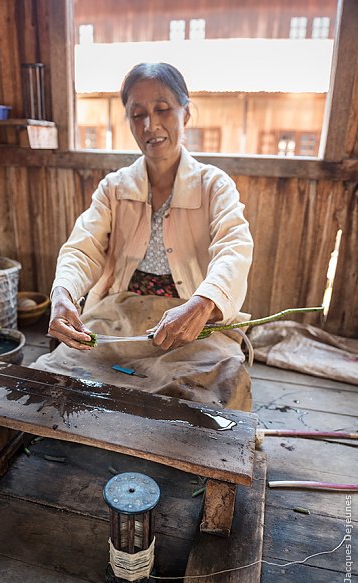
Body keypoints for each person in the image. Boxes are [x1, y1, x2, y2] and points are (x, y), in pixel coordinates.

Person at [31, 62, 254, 411]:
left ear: (186, 113)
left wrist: (204, 302)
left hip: (191, 324)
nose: (151, 125)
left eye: (163, 109)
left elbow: (234, 248)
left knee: (209, 398)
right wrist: (63, 293)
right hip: (119, 321)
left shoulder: (214, 185)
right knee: (57, 385)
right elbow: (82, 248)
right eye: (138, 114)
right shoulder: (114, 188)